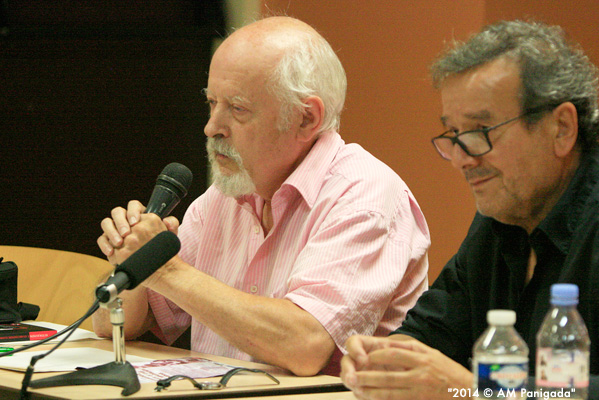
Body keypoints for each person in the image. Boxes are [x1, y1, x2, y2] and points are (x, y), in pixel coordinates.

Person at [92, 16, 430, 377]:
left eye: (237, 109)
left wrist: (164, 269)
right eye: (211, 103)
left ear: (306, 118)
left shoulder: (363, 195)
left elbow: (305, 346)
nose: (211, 127)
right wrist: (134, 259)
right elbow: (116, 324)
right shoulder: (223, 197)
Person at [341, 19, 599, 399]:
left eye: (480, 131)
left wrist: (475, 390)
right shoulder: (498, 220)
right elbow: (430, 335)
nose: (462, 159)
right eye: (454, 134)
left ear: (561, 128)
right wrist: (381, 360)